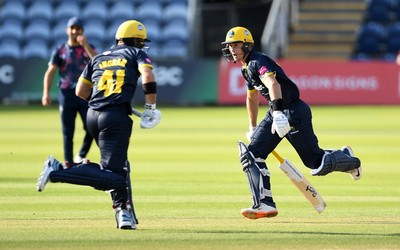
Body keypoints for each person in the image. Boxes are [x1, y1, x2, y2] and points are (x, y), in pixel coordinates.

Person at [221, 26, 362, 219]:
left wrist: (279, 113)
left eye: (236, 45)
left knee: (316, 164)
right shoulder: (246, 69)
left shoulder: (258, 61)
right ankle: (264, 204)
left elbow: (273, 84)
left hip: (294, 111)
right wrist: (252, 127)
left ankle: (349, 160)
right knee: (252, 155)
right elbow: (251, 98)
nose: (232, 50)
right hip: (276, 112)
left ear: (247, 45)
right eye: (230, 46)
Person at [36, 20, 161, 230]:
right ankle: (57, 170)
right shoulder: (136, 54)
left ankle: (123, 213)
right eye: (141, 42)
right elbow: (148, 75)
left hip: (93, 115)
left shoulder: (99, 56)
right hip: (114, 119)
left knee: (119, 166)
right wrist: (150, 108)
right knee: (114, 177)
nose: (142, 46)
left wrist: (108, 100)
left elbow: (81, 93)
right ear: (136, 41)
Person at [42, 16, 96, 165]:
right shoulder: (60, 50)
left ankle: (81, 154)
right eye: (72, 28)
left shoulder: (88, 47)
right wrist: (46, 93)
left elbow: (98, 63)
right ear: (67, 30)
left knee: (92, 127)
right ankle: (68, 163)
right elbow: (51, 71)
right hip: (66, 94)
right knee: (68, 132)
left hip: (85, 95)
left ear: (82, 31)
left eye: (78, 29)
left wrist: (85, 46)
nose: (74, 31)